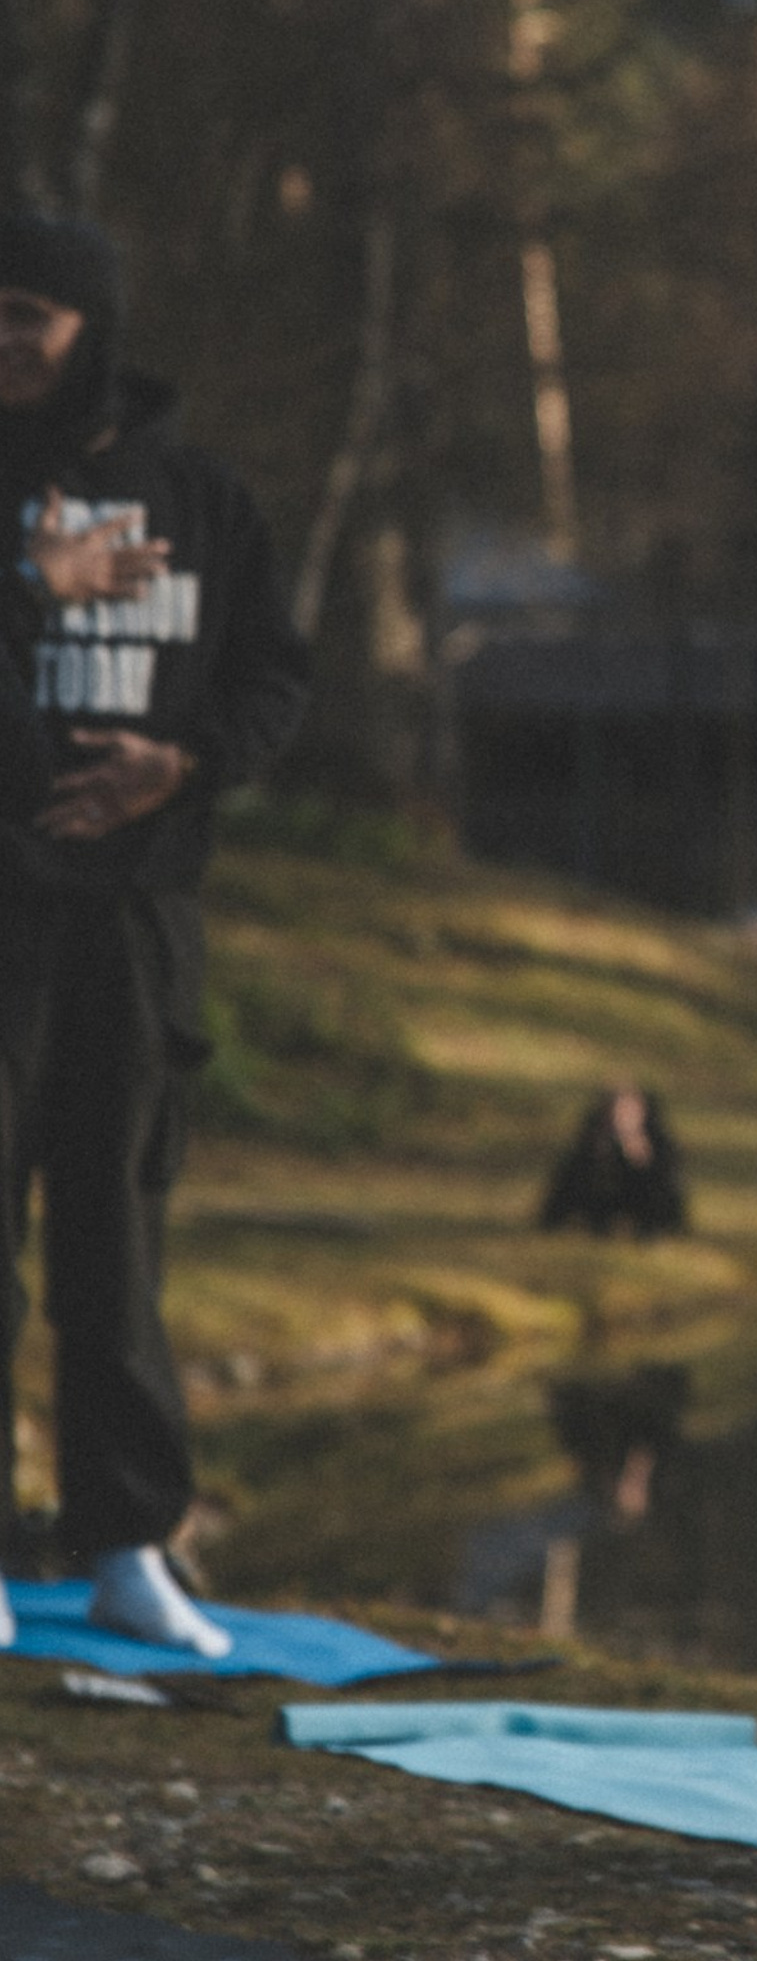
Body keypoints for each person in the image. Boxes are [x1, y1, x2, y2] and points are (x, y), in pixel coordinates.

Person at [0, 206, 311, 1658]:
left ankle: (126, 1544)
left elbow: (275, 680)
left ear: (92, 329)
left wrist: (179, 768)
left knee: (117, 1239)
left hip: (134, 926)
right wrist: (30, 585)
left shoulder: (199, 495)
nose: (5, 342)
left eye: (30, 317)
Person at [537, 1085, 688, 1238]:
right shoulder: (596, 1138)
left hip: (643, 1198)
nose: (627, 1116)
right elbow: (576, 1177)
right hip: (604, 1198)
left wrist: (643, 1160)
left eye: (633, 1111)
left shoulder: (657, 1141)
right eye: (622, 1110)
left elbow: (669, 1182)